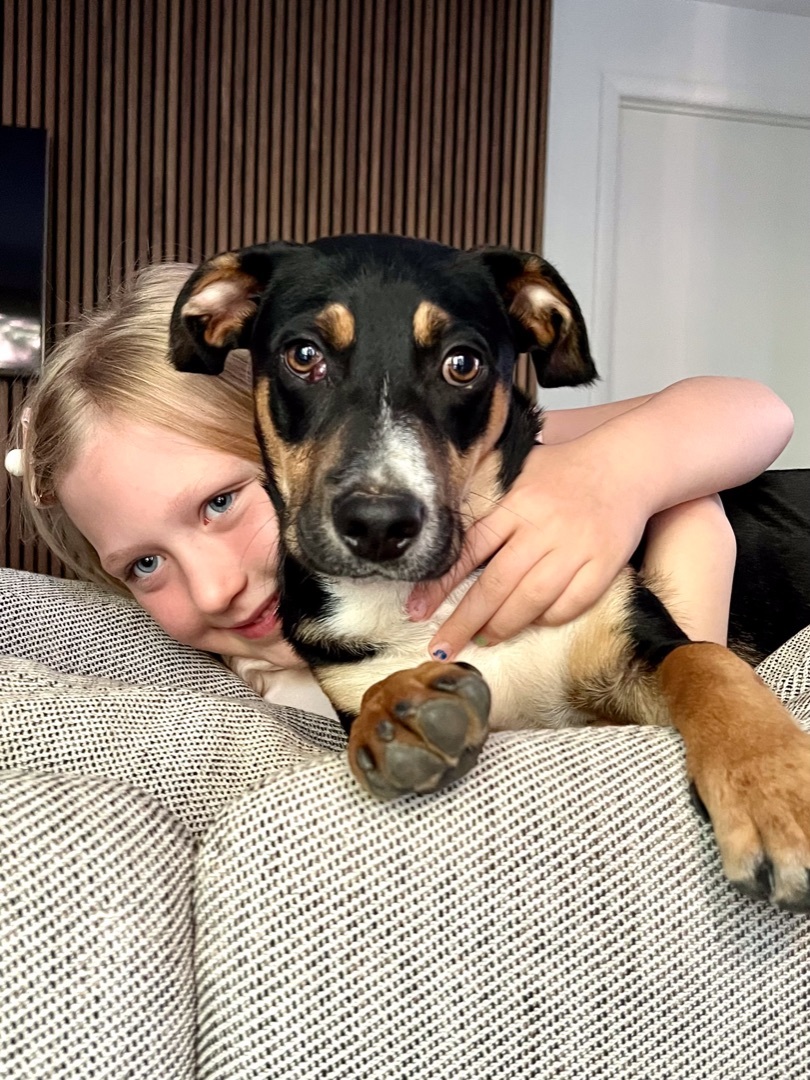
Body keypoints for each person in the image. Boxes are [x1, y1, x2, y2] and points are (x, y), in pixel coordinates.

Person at [6, 263, 794, 718]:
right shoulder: (260, 693)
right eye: (144, 565)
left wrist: (619, 476)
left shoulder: (464, 474)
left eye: (220, 503)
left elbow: (758, 411)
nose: (213, 590)